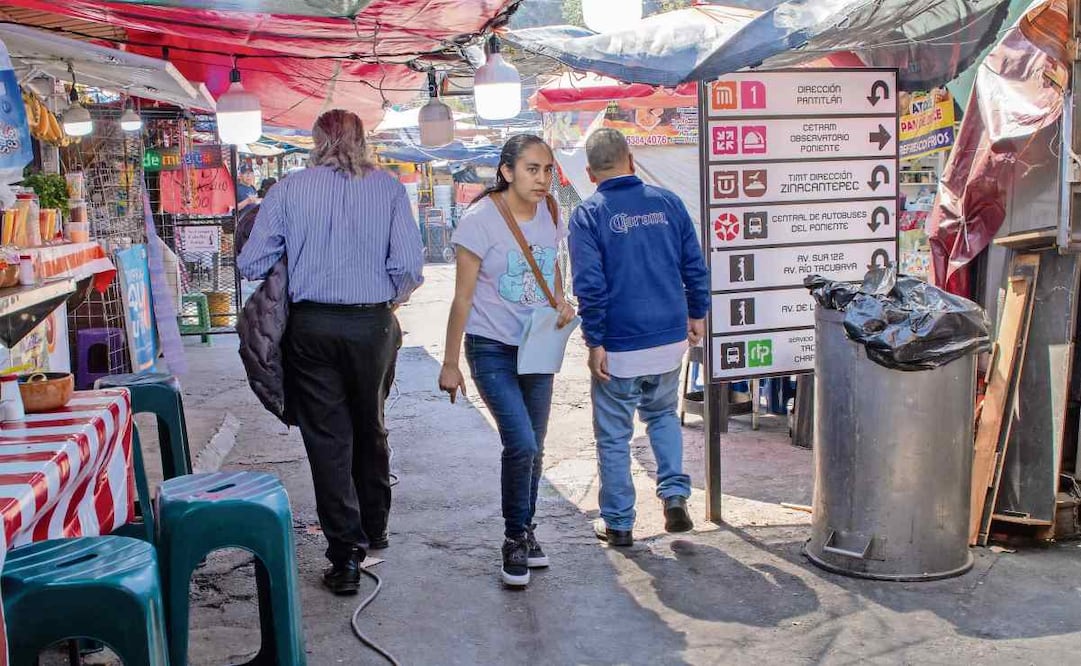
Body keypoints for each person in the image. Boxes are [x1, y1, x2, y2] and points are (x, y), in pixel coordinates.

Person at [237, 109, 424, 595]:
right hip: (373, 324)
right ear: (362, 140)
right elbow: (408, 266)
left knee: (328, 439)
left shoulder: (289, 191)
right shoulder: (388, 189)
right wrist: (389, 301)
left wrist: (295, 250)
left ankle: (345, 559)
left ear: (315, 141)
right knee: (371, 423)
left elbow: (251, 262)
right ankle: (376, 526)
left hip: (312, 326)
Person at [438, 134, 576, 588]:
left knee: (534, 447)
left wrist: (559, 300)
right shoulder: (479, 221)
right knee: (520, 442)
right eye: (532, 169)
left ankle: (527, 529)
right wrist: (450, 362)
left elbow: (551, 262)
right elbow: (461, 299)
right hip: (490, 346)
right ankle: (514, 537)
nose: (542, 179)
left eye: (547, 170)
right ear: (507, 171)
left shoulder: (551, 211)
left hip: (538, 343)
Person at [568, 128, 710, 548]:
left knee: (614, 436)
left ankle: (619, 524)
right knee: (662, 416)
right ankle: (674, 495)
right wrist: (697, 313)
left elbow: (589, 286)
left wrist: (594, 341)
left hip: (618, 346)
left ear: (591, 174)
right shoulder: (668, 203)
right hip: (669, 339)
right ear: (631, 160)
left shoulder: (589, 215)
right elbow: (693, 265)